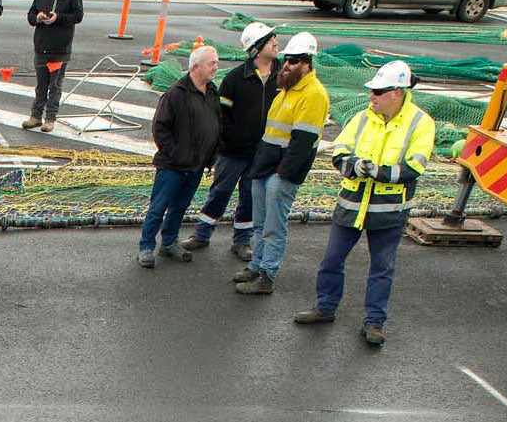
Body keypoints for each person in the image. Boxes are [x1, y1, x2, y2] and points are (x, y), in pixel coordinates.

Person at [295, 61, 436, 346]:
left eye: (379, 91)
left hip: (388, 212)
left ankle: (374, 322)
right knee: (331, 260)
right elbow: (340, 151)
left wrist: (379, 172)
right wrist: (354, 165)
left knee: (382, 268)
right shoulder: (361, 118)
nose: (372, 96)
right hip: (352, 204)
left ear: (398, 92)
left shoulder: (421, 123)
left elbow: (415, 167)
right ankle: (325, 306)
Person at [235, 31, 330, 296]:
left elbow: (302, 143)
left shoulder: (313, 95)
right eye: (287, 59)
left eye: (296, 60)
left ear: (308, 63)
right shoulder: (288, 90)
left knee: (274, 227)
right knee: (261, 223)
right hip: (265, 168)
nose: (287, 65)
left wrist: (282, 174)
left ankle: (267, 274)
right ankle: (256, 265)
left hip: (281, 173)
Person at [183, 20, 277, 261]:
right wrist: (227, 142)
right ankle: (202, 234)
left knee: (250, 197)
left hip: (262, 153)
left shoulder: (282, 77)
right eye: (269, 40)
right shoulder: (236, 79)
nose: (275, 43)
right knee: (220, 191)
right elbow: (221, 115)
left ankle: (242, 241)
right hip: (233, 152)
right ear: (256, 48)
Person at [139, 43, 220, 268]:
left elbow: (216, 123)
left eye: (216, 63)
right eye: (211, 63)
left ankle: (169, 242)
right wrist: (175, 154)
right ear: (196, 67)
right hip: (173, 166)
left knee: (180, 206)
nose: (216, 67)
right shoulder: (176, 94)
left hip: (196, 165)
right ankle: (146, 247)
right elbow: (160, 129)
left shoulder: (212, 92)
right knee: (159, 206)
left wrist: (211, 154)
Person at [23, 0, 80, 133]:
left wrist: (59, 18)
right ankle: (35, 116)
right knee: (41, 84)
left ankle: (50, 118)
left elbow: (78, 16)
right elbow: (31, 15)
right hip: (41, 45)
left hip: (60, 49)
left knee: (54, 86)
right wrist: (38, 17)